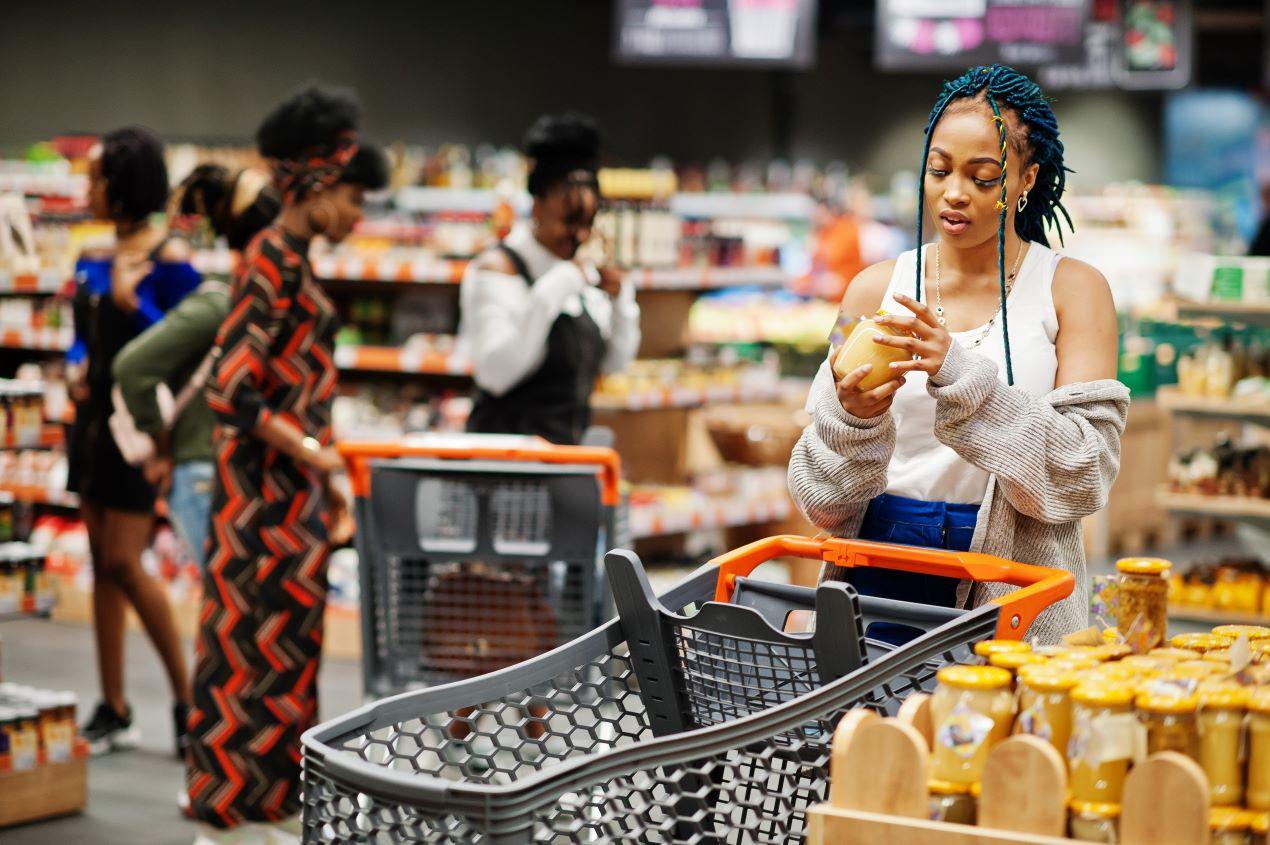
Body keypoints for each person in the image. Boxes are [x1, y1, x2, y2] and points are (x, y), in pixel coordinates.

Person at [788, 65, 1128, 645]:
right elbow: (817, 490)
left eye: (983, 176)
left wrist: (961, 375)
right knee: (872, 734)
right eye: (939, 170)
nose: (953, 193)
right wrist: (854, 419)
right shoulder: (871, 291)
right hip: (876, 568)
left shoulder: (1074, 291)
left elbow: (1083, 475)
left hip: (1016, 586)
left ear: (1026, 179)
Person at [186, 85, 384, 841]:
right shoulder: (268, 259)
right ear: (317, 184)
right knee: (247, 652)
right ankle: (231, 805)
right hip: (258, 504)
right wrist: (315, 453)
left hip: (288, 502)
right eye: (354, 195)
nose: (359, 215)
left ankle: (267, 803)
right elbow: (233, 390)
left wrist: (319, 472)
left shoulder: (291, 257)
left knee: (286, 649)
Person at [67, 126, 201, 756]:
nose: (87, 188)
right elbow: (78, 333)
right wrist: (73, 360)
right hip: (92, 425)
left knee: (124, 560)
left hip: (139, 427)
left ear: (122, 185)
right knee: (102, 564)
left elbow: (191, 343)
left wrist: (134, 306)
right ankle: (113, 705)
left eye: (95, 177)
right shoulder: (90, 253)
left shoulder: (170, 261)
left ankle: (187, 699)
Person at [112, 165, 281, 566]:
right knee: (225, 603)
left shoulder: (255, 298)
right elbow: (133, 367)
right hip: (200, 474)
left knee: (231, 605)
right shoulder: (221, 302)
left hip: (231, 475)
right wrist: (161, 448)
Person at [459, 112, 640, 445]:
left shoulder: (580, 275)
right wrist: (556, 287)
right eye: (569, 221)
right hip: (504, 469)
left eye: (588, 222)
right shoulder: (497, 269)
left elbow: (614, 366)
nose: (579, 236)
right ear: (537, 203)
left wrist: (621, 301)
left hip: (565, 465)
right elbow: (496, 374)